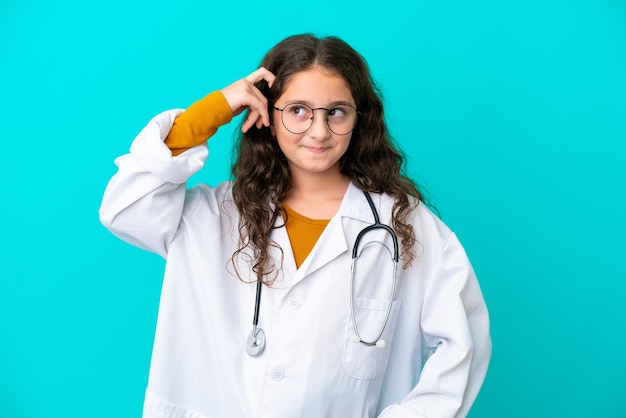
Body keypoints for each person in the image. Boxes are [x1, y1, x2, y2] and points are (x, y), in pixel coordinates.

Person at [99, 34, 491, 418]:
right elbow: (125, 206)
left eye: (336, 112)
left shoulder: (405, 227)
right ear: (267, 113)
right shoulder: (212, 215)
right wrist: (216, 107)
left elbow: (464, 344)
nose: (319, 132)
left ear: (360, 118)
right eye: (298, 110)